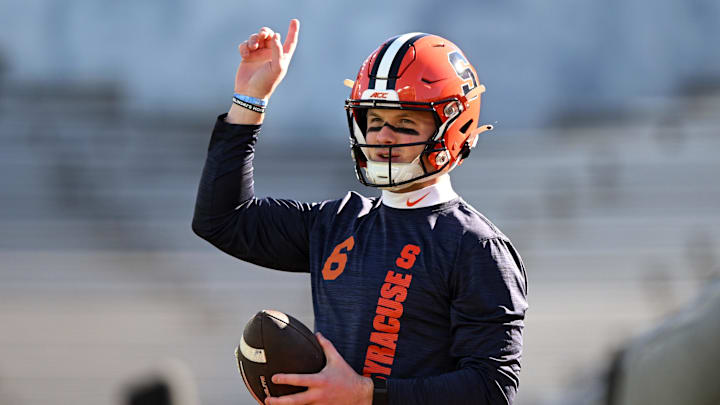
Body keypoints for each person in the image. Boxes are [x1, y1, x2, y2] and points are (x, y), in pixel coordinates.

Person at [192, 19, 528, 405]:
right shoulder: (336, 223)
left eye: (404, 122)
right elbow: (220, 219)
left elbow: (492, 389)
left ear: (451, 128)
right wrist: (250, 99)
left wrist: (368, 395)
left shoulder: (477, 247)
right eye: (376, 121)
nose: (383, 136)